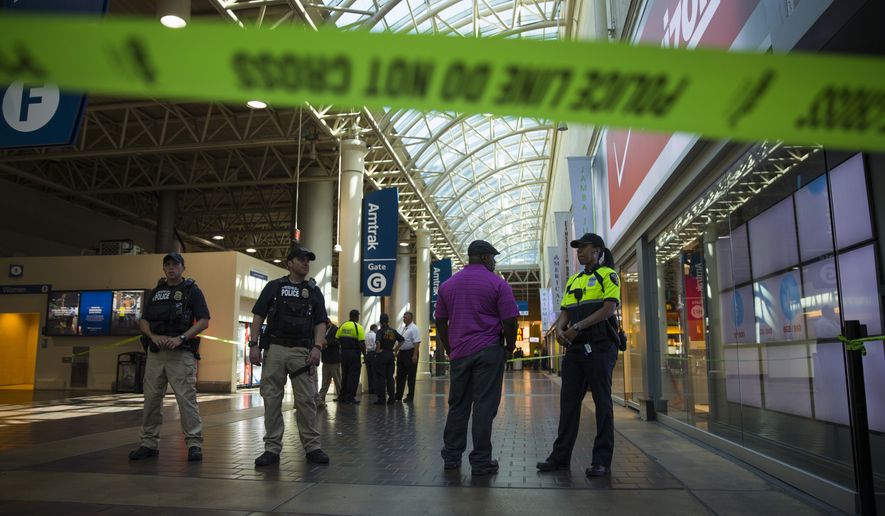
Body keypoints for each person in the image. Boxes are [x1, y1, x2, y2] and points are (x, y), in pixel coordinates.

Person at [537, 233, 621, 478]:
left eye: (583, 247)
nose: (579, 251)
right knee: (568, 404)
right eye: (577, 247)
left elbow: (609, 308)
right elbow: (565, 310)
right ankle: (560, 458)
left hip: (600, 345)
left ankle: (602, 460)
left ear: (597, 250)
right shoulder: (573, 280)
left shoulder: (608, 275)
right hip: (575, 349)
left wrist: (577, 327)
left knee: (602, 403)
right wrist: (562, 329)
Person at [435, 240, 518, 476]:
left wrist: (450, 348)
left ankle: (451, 457)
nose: (494, 262)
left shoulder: (447, 285)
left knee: (458, 405)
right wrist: (509, 347)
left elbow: (440, 320)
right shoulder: (498, 284)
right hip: (489, 351)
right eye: (493, 257)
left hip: (460, 353)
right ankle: (481, 461)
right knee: (484, 406)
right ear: (483, 257)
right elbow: (510, 320)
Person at [248, 245, 330, 467]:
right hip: (275, 348)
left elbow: (321, 322)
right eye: (301, 259)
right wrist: (253, 345)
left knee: (306, 400)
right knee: (271, 399)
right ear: (289, 263)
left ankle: (312, 447)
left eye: (308, 260)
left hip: (302, 352)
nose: (306, 263)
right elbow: (258, 316)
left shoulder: (313, 291)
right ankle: (272, 449)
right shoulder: (274, 287)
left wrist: (317, 347)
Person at [129, 252, 210, 463]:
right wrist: (153, 337)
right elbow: (144, 321)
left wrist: (181, 338)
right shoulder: (157, 292)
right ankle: (148, 443)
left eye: (175, 264)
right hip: (156, 353)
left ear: (183, 268)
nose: (171, 268)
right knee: (151, 400)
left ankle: (194, 444)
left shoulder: (192, 291)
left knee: (186, 401)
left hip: (180, 353)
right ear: (164, 269)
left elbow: (203, 321)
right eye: (167, 265)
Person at [337, 309, 366, 404]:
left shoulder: (343, 326)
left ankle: (342, 397)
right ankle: (350, 397)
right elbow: (362, 344)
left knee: (344, 375)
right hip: (354, 354)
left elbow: (337, 338)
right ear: (357, 316)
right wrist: (365, 355)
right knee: (353, 376)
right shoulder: (358, 327)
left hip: (344, 354)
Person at [373, 313, 403, 405]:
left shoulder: (380, 331)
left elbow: (378, 342)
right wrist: (396, 350)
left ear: (380, 322)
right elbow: (402, 340)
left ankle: (381, 399)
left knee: (381, 378)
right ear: (388, 321)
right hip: (390, 354)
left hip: (382, 355)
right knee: (390, 377)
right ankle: (392, 398)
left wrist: (378, 351)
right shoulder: (393, 331)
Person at [395, 311, 421, 402]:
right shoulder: (402, 328)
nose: (403, 318)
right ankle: (398, 395)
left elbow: (417, 342)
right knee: (400, 375)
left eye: (405, 317)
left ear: (410, 318)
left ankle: (410, 396)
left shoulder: (414, 328)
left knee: (411, 376)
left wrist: (414, 355)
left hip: (410, 353)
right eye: (403, 317)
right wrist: (396, 351)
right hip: (402, 353)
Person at [316, 319, 341, 409]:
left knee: (337, 380)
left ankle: (341, 396)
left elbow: (337, 341)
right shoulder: (324, 330)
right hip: (326, 359)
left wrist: (327, 342)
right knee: (325, 381)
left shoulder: (336, 330)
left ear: (329, 323)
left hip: (334, 359)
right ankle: (320, 398)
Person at [365, 324, 378, 395]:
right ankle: (375, 389)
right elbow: (376, 345)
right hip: (373, 354)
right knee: (374, 372)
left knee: (369, 373)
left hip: (368, 354)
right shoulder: (374, 335)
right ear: (374, 328)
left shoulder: (366, 335)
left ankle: (370, 389)